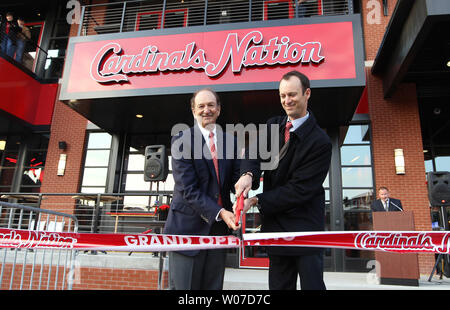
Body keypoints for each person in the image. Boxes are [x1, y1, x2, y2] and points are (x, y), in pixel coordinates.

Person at [235, 70, 332, 290]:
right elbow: (252, 153)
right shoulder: (273, 125)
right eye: (282, 96)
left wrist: (257, 200)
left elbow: (299, 190)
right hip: (276, 229)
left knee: (313, 286)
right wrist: (247, 174)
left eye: (292, 95)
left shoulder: (320, 142)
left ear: (307, 93)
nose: (286, 101)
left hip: (305, 230)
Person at [163, 88, 243, 290]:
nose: (206, 110)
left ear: (218, 109)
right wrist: (220, 212)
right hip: (187, 229)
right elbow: (187, 188)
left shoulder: (231, 142)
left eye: (211, 105)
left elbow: (235, 181)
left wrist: (246, 182)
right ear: (193, 111)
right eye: (201, 106)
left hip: (218, 230)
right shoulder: (181, 140)